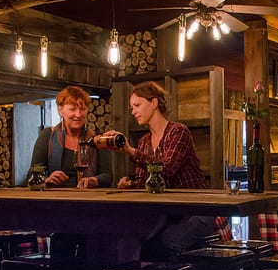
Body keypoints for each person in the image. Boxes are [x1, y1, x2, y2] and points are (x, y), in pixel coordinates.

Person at [102, 81, 214, 259]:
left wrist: (129, 151)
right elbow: (143, 183)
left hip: (196, 210)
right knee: (130, 239)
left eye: (137, 105)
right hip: (170, 213)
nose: (133, 111)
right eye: (131, 107)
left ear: (154, 103)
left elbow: (166, 169)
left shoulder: (178, 132)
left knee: (166, 242)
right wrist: (129, 185)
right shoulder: (144, 142)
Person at [29, 85, 112, 188]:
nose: (78, 114)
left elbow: (108, 177)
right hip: (54, 200)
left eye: (82, 109)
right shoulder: (48, 136)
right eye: (72, 109)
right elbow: (32, 176)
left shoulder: (97, 139)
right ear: (60, 110)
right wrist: (47, 180)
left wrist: (94, 180)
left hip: (88, 200)